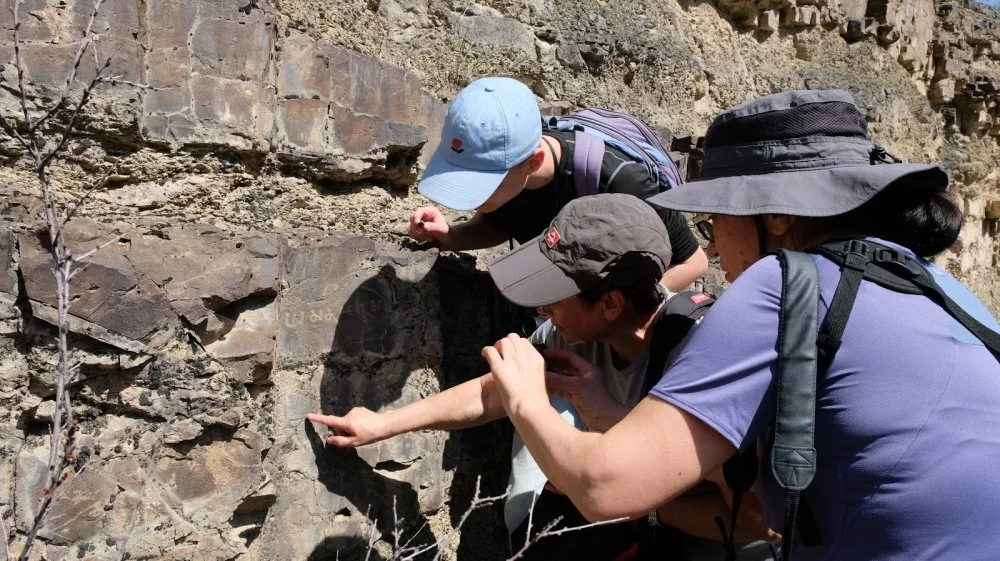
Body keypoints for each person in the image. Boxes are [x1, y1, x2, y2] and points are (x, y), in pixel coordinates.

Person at [480, 89, 1000, 561]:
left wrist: (524, 397)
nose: (715, 249)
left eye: (715, 222)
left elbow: (605, 488)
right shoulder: (940, 285)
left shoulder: (786, 283)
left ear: (775, 218)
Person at [308, 193, 771, 560]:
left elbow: (757, 517)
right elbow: (495, 392)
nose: (540, 308)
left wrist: (635, 497)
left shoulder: (704, 350)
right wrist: (382, 425)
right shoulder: (572, 332)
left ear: (610, 303)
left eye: (555, 294)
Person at [407, 76, 708, 292]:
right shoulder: (512, 173)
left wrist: (616, 312)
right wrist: (450, 235)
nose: (473, 195)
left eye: (484, 181)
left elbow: (694, 263)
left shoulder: (619, 181)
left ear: (533, 162)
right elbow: (499, 224)